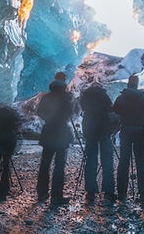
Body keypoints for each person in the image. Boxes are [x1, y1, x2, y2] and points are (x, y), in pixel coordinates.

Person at [113, 74, 144, 205]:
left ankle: (121, 193)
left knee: (124, 162)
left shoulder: (121, 97)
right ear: (136, 84)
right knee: (141, 162)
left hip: (126, 130)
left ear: (128, 83)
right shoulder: (143, 96)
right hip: (139, 131)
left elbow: (116, 110)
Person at [36, 72, 74, 205]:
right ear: (64, 81)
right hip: (61, 133)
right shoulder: (65, 97)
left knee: (45, 164)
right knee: (59, 166)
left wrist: (49, 119)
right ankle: (56, 196)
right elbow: (71, 113)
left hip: (48, 132)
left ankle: (42, 193)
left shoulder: (46, 97)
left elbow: (39, 112)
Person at [78, 81, 117, 204]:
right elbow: (111, 109)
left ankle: (90, 192)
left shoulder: (85, 96)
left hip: (90, 131)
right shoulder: (103, 95)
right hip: (104, 131)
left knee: (90, 161)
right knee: (107, 161)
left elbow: (82, 109)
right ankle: (108, 192)